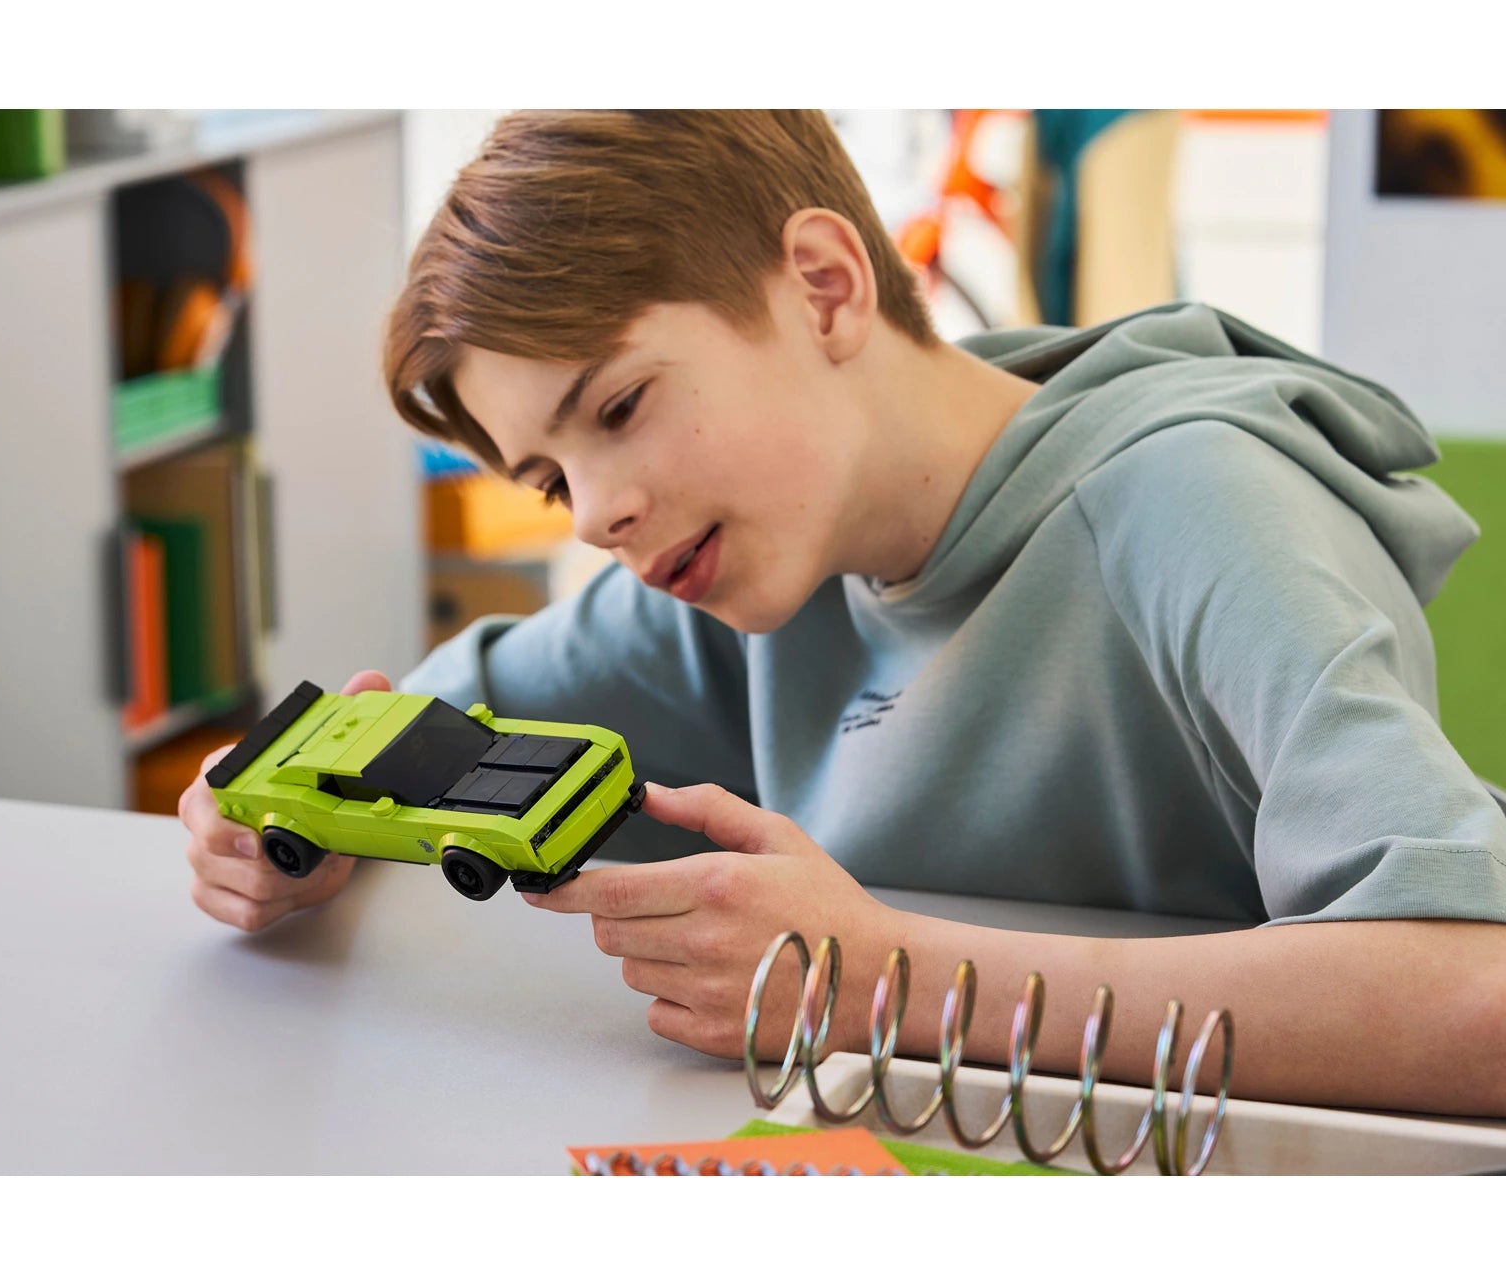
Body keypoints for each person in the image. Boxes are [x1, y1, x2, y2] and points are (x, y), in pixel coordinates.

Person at [180, 110, 1506, 1115]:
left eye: (621, 407)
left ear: (823, 287)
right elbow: (424, 717)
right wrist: (266, 814)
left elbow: (1476, 995)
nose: (594, 516)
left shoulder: (1200, 507)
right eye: (551, 478)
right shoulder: (736, 568)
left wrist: (880, 981)